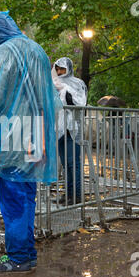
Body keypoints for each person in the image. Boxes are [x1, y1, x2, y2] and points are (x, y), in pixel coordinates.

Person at [0, 11, 61, 274]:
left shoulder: (3, 54)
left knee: (13, 197)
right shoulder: (37, 50)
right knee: (26, 194)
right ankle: (26, 253)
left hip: (13, 133)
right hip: (36, 131)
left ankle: (17, 258)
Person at [51, 57, 87, 206]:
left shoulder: (78, 84)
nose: (59, 72)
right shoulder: (54, 83)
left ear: (69, 69)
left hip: (73, 128)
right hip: (60, 129)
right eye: (57, 69)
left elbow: (80, 103)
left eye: (62, 69)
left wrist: (64, 89)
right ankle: (69, 194)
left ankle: (77, 196)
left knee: (74, 164)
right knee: (66, 164)